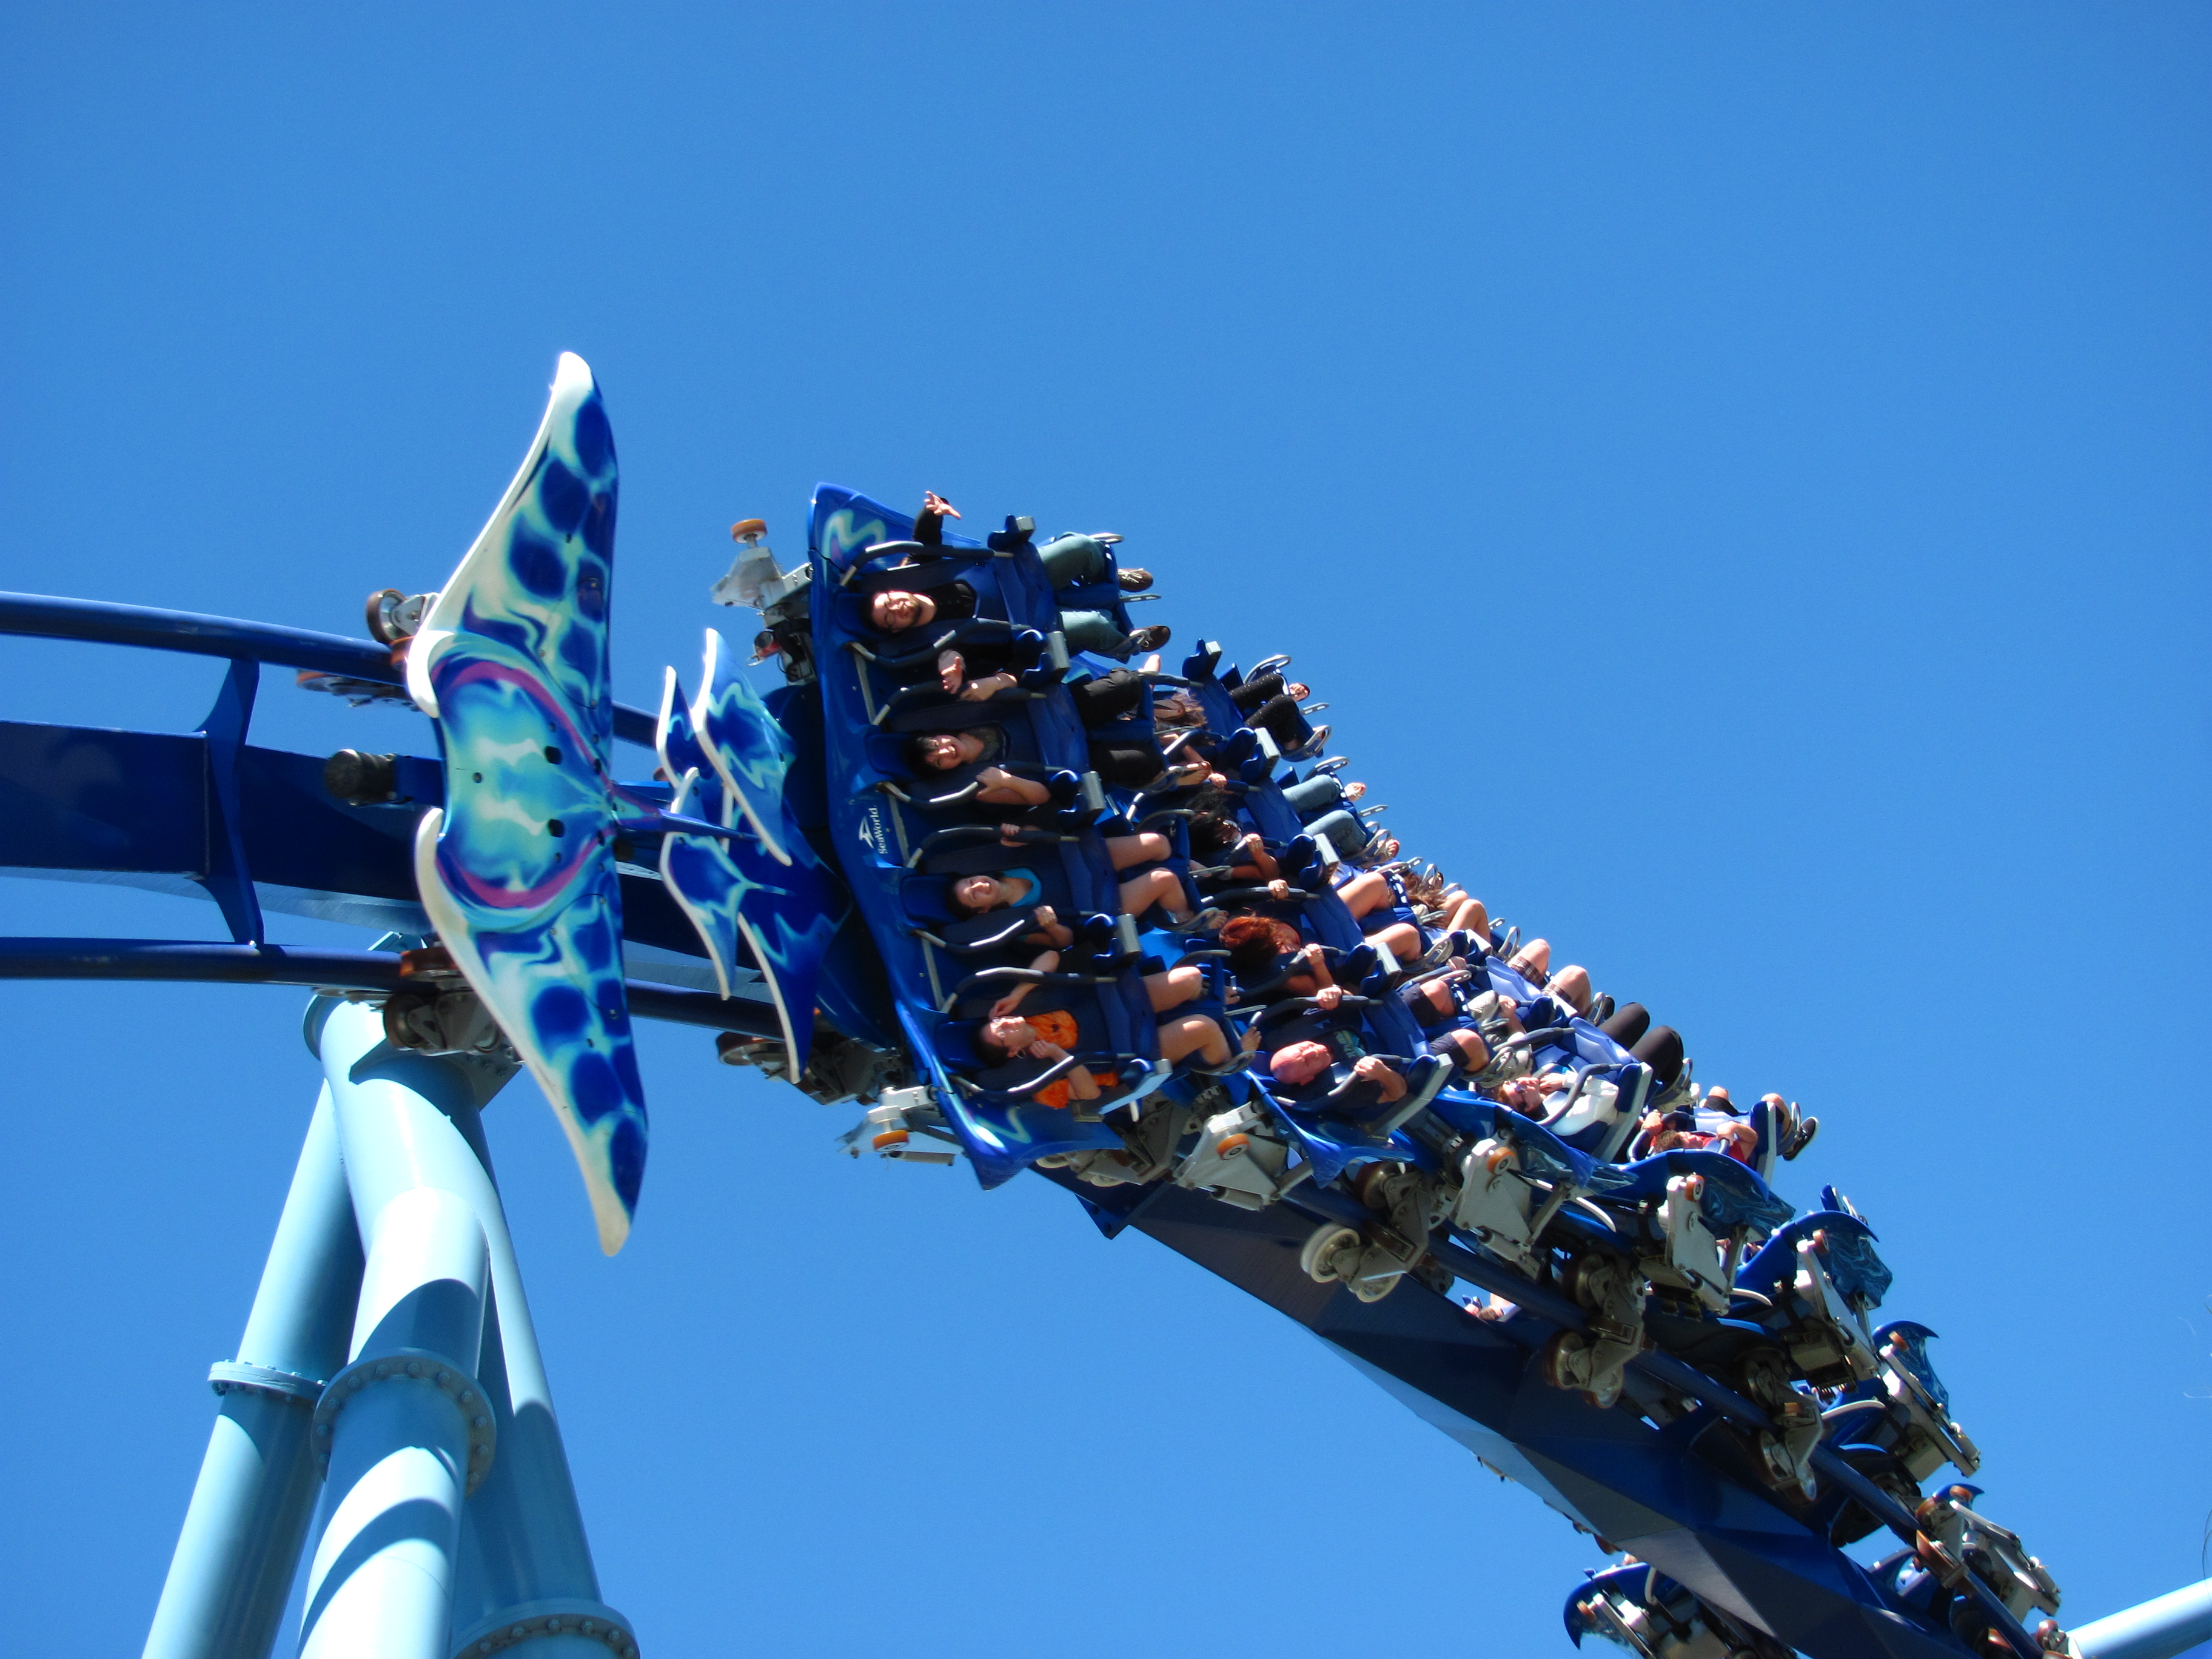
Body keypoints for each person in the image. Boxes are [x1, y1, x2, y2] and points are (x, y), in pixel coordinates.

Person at [947, 828, 1206, 928]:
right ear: (983, 909)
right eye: (974, 895)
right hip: (1095, 903)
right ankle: (1185, 918)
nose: (980, 885)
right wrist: (1052, 927)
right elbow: (1065, 942)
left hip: (1084, 865)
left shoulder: (1006, 861)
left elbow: (1044, 839)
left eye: (972, 881)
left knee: (1157, 843)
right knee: (1164, 879)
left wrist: (1026, 836)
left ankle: (1193, 868)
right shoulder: (1015, 922)